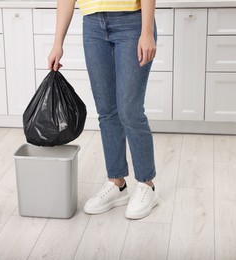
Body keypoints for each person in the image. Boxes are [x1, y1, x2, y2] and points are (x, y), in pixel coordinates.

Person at [48, 0, 158, 220]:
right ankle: (117, 183)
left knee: (130, 111)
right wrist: (57, 42)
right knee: (107, 111)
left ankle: (146, 184)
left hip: (132, 21)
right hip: (93, 24)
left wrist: (147, 32)